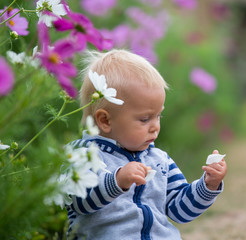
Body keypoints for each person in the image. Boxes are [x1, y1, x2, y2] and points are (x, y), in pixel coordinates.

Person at [66, 49, 227, 240]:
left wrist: (208, 185)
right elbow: (79, 202)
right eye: (144, 119)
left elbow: (180, 211)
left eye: (158, 115)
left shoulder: (159, 160)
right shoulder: (84, 154)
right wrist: (117, 181)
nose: (155, 127)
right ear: (105, 121)